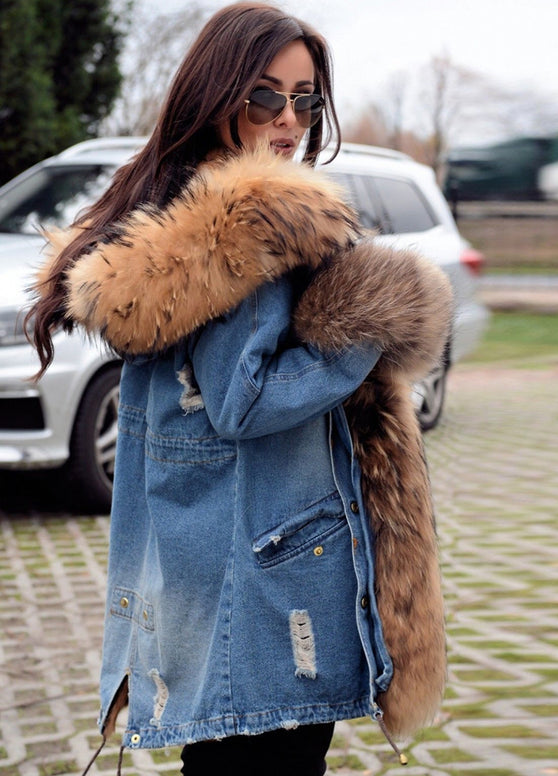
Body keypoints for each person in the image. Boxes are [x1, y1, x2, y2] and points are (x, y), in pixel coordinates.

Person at [28, 3, 452, 774]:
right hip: (273, 582)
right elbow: (243, 400)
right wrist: (369, 328)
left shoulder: (176, 217)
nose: (288, 119)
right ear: (216, 97)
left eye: (306, 100)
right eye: (266, 97)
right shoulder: (250, 222)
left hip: (215, 570)